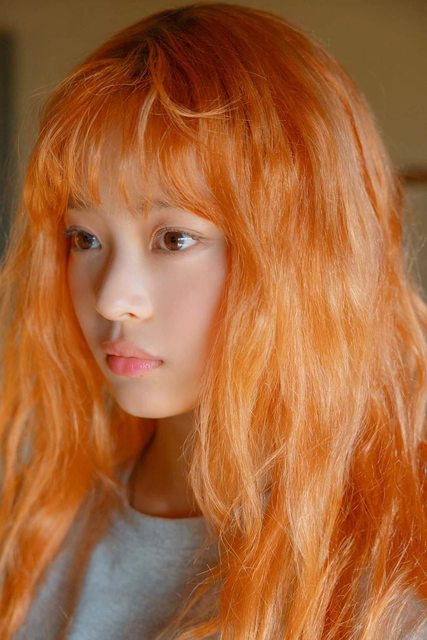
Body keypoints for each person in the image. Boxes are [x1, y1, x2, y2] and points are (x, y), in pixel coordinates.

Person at [0, 3, 426, 639]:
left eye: (173, 239)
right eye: (84, 238)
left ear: (305, 252)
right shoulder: (37, 519)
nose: (113, 299)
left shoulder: (388, 577)